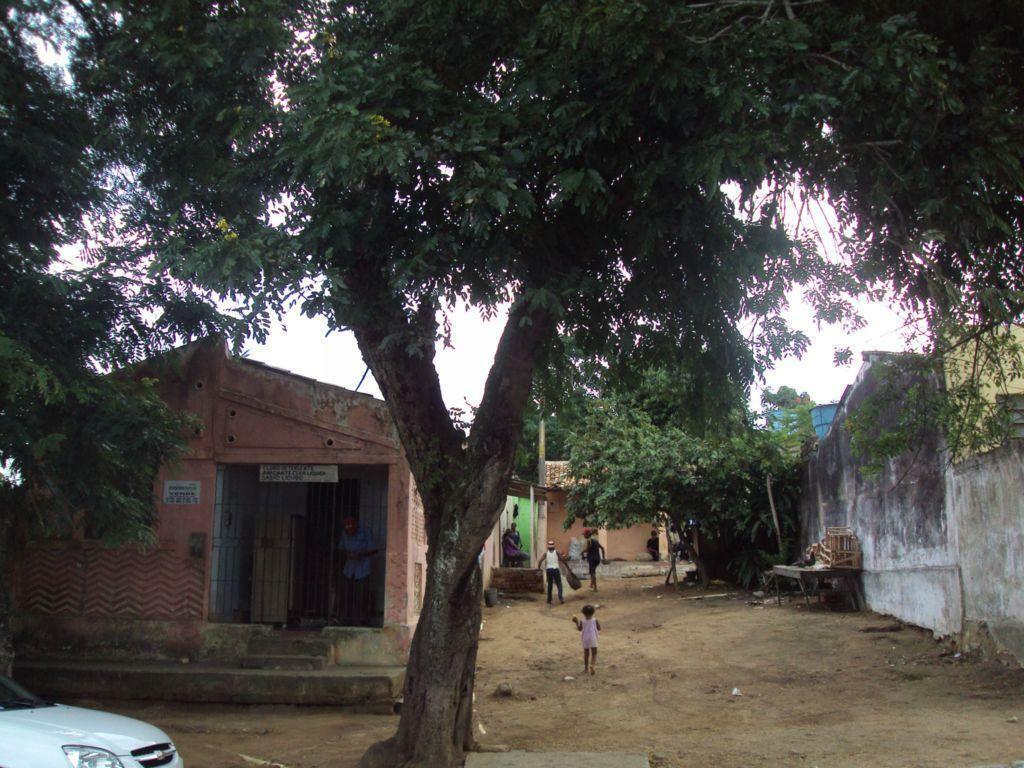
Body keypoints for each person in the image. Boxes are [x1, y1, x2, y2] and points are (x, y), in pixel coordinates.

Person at [338, 516, 378, 624]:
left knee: (362, 595)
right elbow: (341, 548)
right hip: (349, 569)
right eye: (346, 526)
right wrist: (347, 554)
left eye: (350, 525)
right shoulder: (344, 532)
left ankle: (362, 620)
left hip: (363, 568)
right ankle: (346, 620)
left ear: (356, 524)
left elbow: (374, 550)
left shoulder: (365, 531)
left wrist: (361, 554)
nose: (348, 528)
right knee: (347, 594)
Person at [572, 604, 601, 675]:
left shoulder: (582, 620)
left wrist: (576, 622)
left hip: (585, 637)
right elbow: (599, 628)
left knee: (586, 653)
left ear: (583, 613)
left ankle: (586, 669)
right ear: (593, 612)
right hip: (593, 637)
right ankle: (592, 665)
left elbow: (579, 629)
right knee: (594, 653)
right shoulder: (595, 620)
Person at [537, 540, 564, 605]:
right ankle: (560, 598)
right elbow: (562, 559)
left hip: (549, 570)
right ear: (554, 546)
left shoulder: (545, 554)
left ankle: (549, 600)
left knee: (550, 585)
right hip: (555, 569)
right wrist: (566, 566)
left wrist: (539, 568)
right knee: (559, 584)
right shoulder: (557, 552)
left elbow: (540, 561)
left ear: (548, 547)